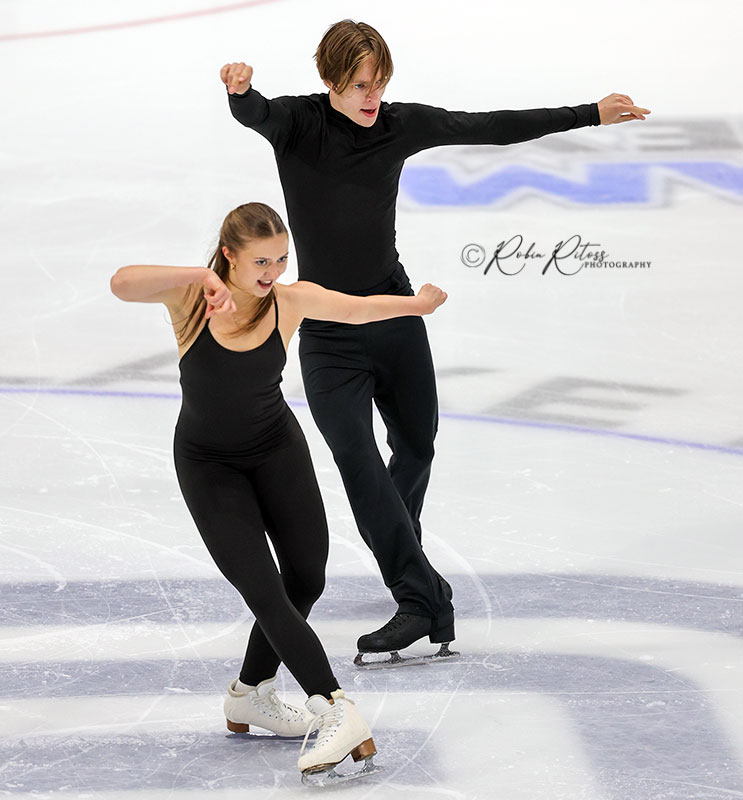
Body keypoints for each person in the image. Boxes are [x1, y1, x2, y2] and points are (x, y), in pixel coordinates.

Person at [220, 20, 651, 663]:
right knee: (361, 465)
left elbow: (488, 126)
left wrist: (589, 113)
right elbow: (255, 113)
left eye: (379, 82)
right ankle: (420, 598)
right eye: (359, 84)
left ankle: (408, 561)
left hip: (395, 314)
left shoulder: (399, 125)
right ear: (331, 80)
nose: (372, 96)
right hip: (331, 332)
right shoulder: (300, 123)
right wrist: (239, 91)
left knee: (416, 446)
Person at [109, 201, 447, 782]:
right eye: (261, 261)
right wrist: (200, 277)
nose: (273, 271)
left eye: (281, 259)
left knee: (306, 579)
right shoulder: (191, 300)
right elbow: (121, 283)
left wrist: (417, 305)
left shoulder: (287, 301)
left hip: (276, 449)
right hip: (210, 467)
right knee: (265, 591)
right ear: (229, 256)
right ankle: (335, 707)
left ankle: (250, 694)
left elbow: (355, 308)